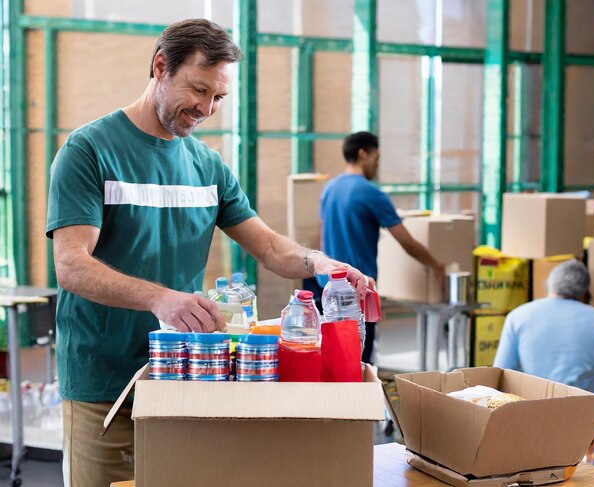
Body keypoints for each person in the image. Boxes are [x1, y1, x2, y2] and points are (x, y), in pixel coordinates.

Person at [46, 19, 369, 487]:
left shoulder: (208, 166)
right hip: (104, 379)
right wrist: (161, 298)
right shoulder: (90, 150)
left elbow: (271, 247)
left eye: (219, 97)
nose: (207, 108)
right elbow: (72, 266)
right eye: (199, 90)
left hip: (188, 376)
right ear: (160, 66)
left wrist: (321, 263)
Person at [318, 131, 444, 364]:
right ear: (363, 153)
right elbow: (407, 243)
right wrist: (436, 266)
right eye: (376, 156)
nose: (377, 163)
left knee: (333, 359)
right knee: (360, 362)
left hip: (326, 290)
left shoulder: (330, 189)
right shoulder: (371, 192)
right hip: (357, 292)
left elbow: (323, 233)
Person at [493, 259, 594, 386]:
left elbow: (500, 372)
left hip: (534, 402)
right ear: (584, 292)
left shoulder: (517, 316)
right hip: (583, 402)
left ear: (549, 284)